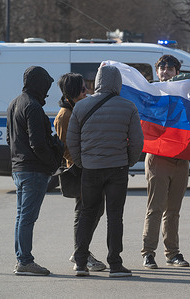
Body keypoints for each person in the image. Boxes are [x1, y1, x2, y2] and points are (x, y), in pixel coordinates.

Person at [66, 64, 144, 277]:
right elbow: (137, 142)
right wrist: (127, 161)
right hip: (117, 169)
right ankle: (115, 264)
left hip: (90, 169)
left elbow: (72, 140)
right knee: (115, 215)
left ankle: (81, 262)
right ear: (118, 83)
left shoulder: (81, 107)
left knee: (87, 213)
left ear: (97, 82)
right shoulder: (128, 107)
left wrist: (83, 161)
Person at [141, 54, 190, 269]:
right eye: (162, 68)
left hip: (181, 159)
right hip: (158, 158)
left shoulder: (186, 93)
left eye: (170, 69)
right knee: (155, 208)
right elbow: (172, 85)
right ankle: (148, 253)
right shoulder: (152, 90)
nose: (165, 72)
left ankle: (172, 253)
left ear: (177, 72)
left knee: (172, 211)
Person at [7, 66, 62, 276]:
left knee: (22, 217)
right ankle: (25, 261)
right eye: (46, 85)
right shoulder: (33, 106)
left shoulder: (14, 104)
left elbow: (9, 139)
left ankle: (22, 259)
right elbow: (38, 143)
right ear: (38, 84)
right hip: (33, 171)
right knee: (27, 218)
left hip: (19, 169)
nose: (47, 91)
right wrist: (51, 164)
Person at [53, 73, 107, 272]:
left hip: (90, 167)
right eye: (83, 89)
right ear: (72, 92)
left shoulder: (79, 108)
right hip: (79, 170)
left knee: (96, 209)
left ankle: (81, 250)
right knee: (84, 212)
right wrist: (85, 163)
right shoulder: (64, 115)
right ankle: (80, 254)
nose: (87, 92)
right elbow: (66, 148)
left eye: (87, 88)